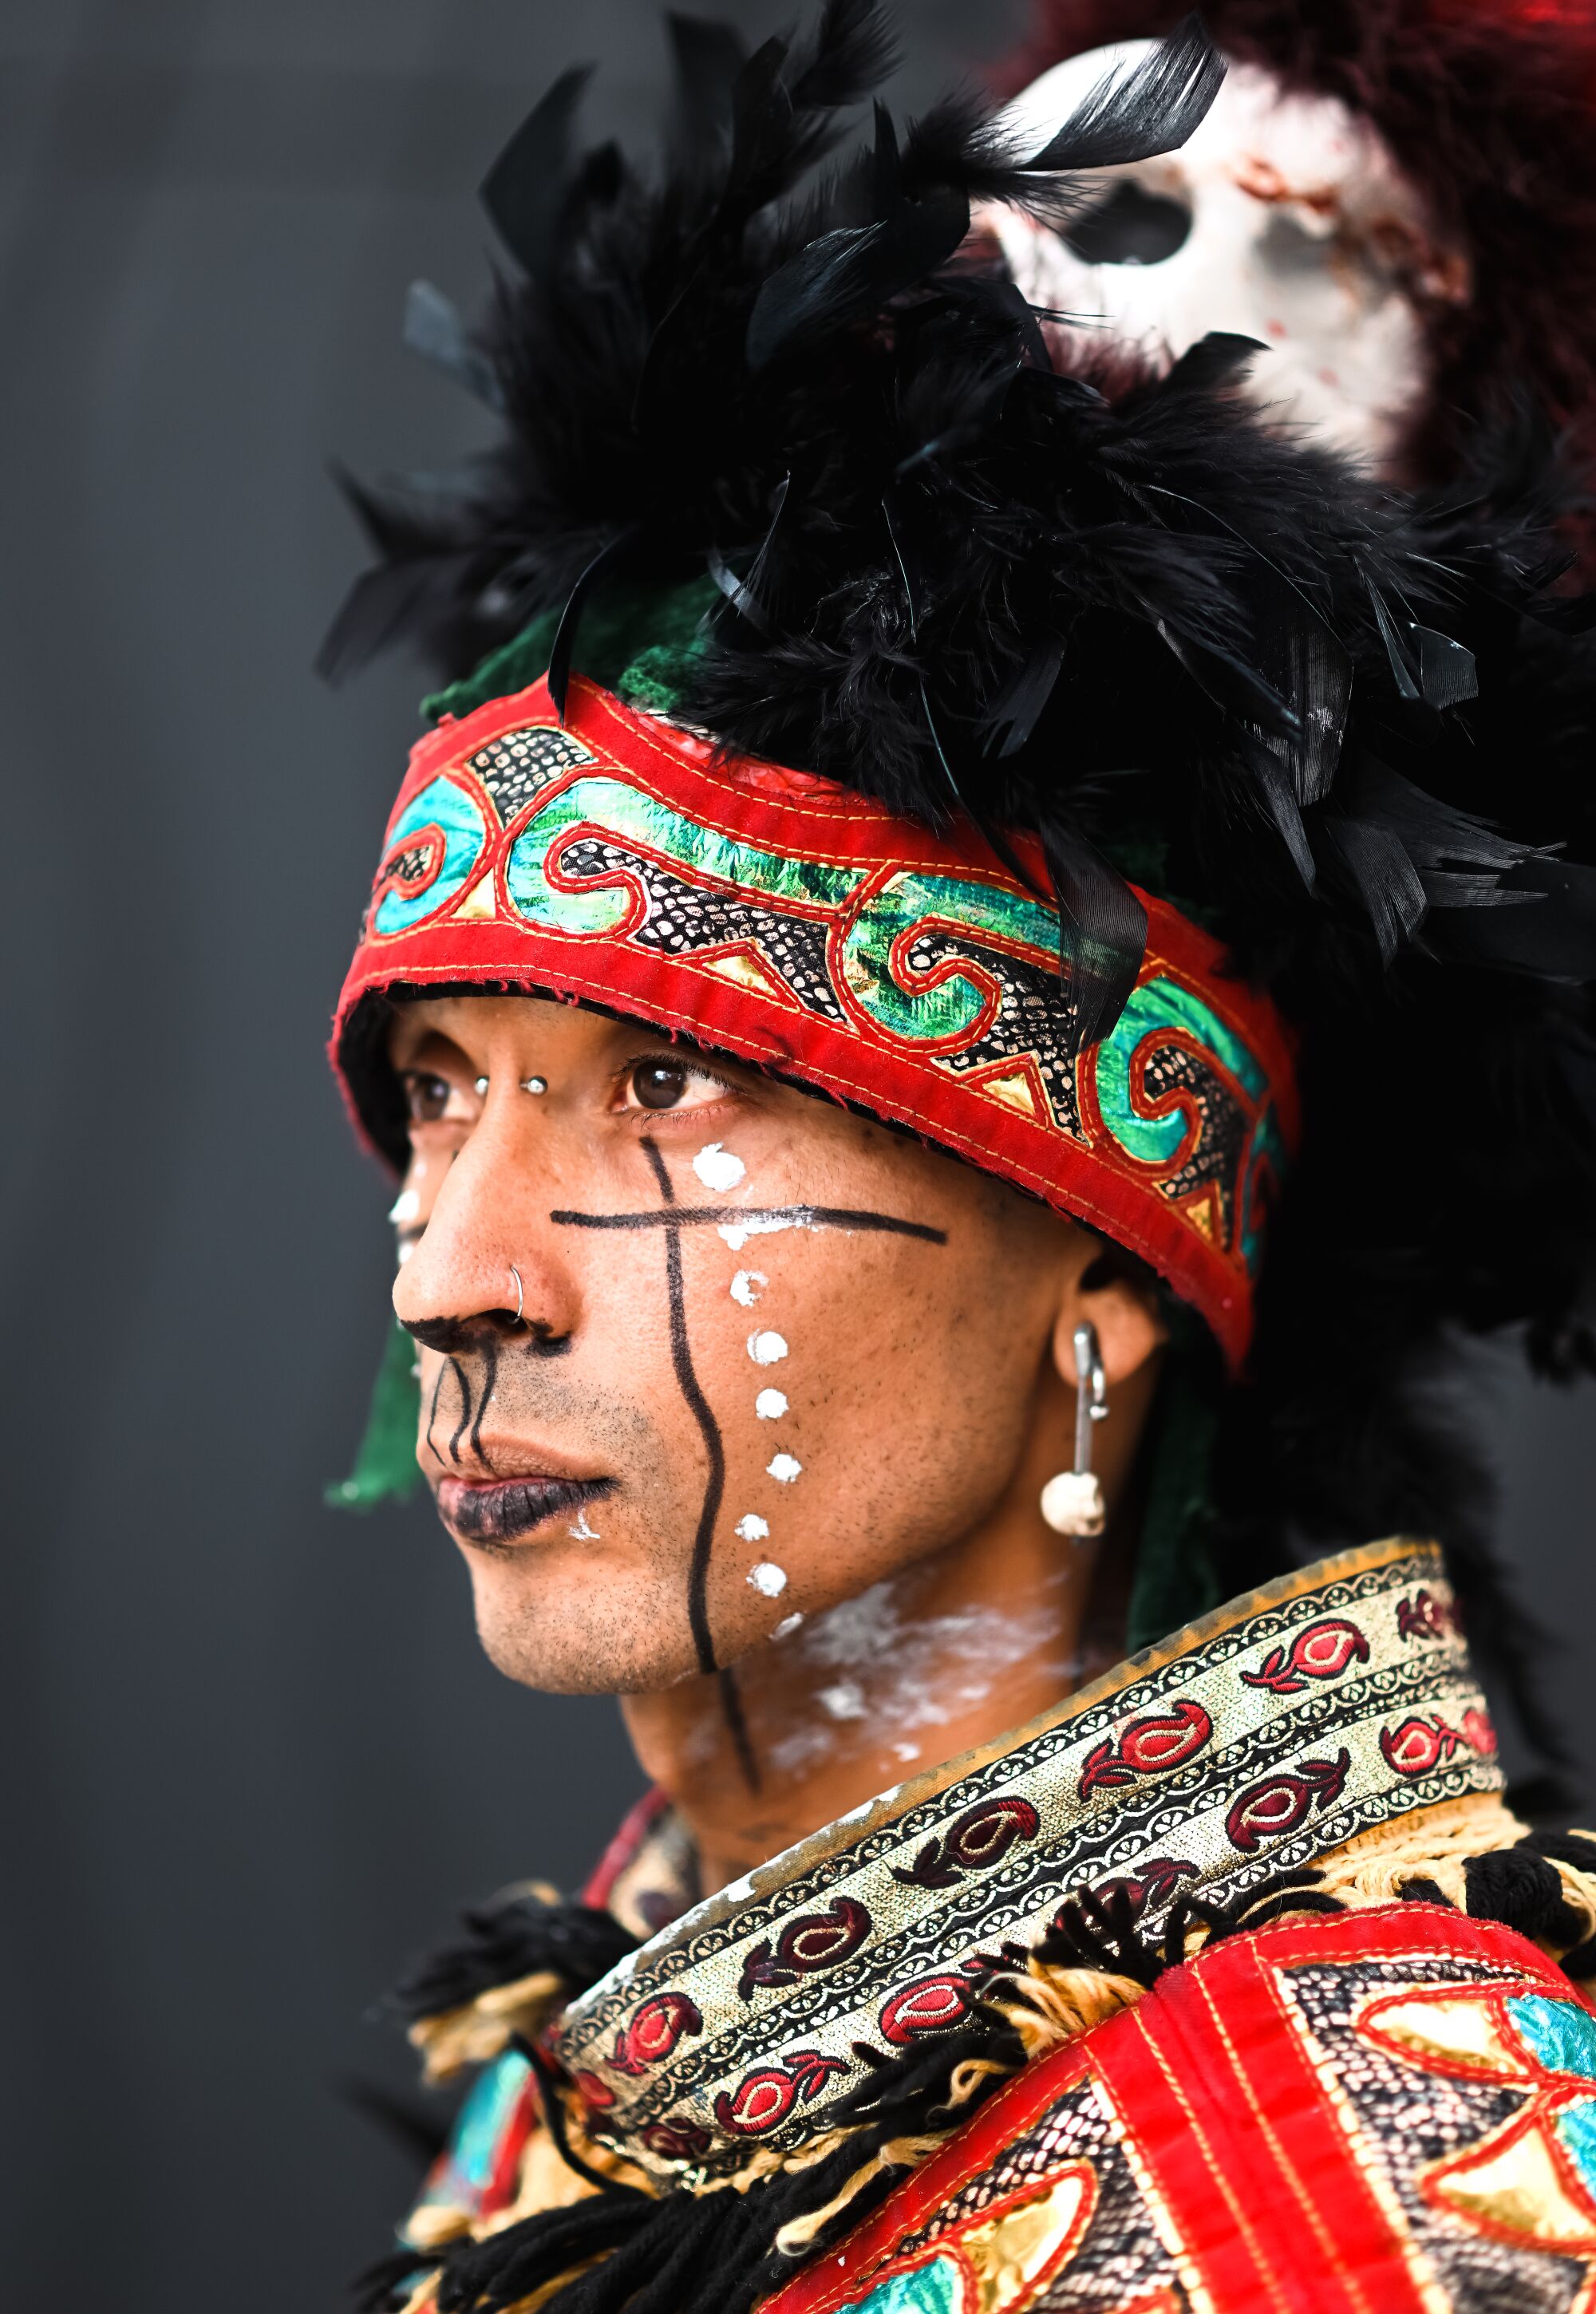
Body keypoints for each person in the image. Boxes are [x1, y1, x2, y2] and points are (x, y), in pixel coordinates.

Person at [320, 8, 1596, 2308]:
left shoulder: (1371, 2196)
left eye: (671, 1088)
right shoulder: (597, 2047)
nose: (455, 1274)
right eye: (436, 1085)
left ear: (1115, 1265)